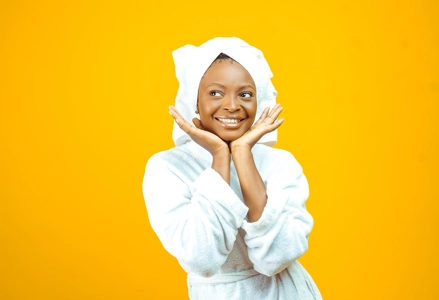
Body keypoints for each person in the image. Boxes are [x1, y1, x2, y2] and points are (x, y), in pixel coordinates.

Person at [142, 37, 322, 299]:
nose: (232, 105)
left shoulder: (281, 163)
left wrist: (242, 153)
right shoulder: (167, 168)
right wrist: (219, 156)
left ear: (258, 99)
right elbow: (201, 259)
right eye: (215, 93)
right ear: (195, 100)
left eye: (245, 94)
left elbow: (277, 258)